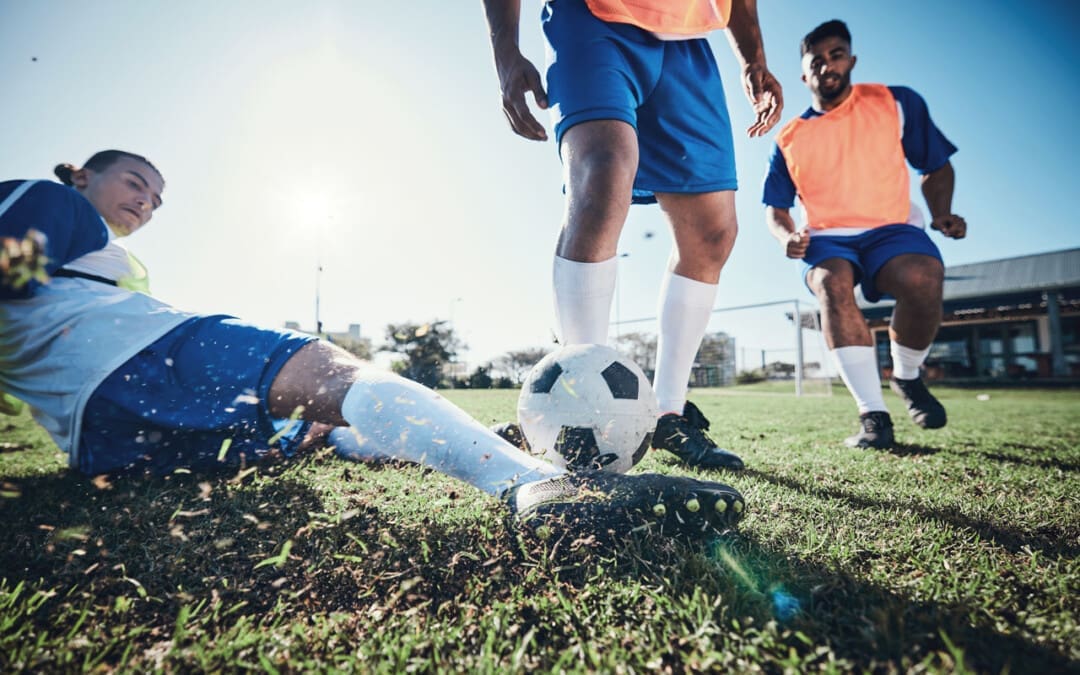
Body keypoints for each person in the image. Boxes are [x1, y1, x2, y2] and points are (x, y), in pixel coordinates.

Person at [0, 150, 747, 538]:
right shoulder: (53, 201)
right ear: (83, 174)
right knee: (330, 371)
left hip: (91, 435)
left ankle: (427, 439)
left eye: (157, 196)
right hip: (130, 350)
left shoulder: (95, 253)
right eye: (133, 182)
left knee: (304, 435)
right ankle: (529, 481)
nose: (145, 201)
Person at [482, 0, 783, 470]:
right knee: (603, 176)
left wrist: (753, 60)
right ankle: (574, 404)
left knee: (712, 233)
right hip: (591, 18)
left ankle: (667, 413)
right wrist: (506, 53)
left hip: (686, 41)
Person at [762, 20, 966, 449]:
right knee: (828, 282)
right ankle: (873, 416)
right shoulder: (789, 138)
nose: (827, 66)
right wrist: (786, 238)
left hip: (891, 227)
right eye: (816, 61)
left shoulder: (896, 101)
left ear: (851, 60)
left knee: (924, 276)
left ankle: (907, 377)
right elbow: (775, 208)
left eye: (836, 55)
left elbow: (934, 165)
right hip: (829, 237)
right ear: (805, 74)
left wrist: (942, 213)